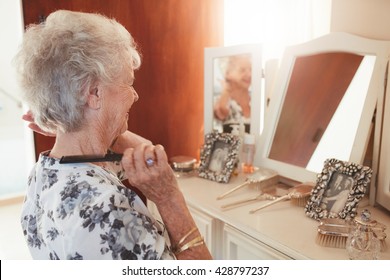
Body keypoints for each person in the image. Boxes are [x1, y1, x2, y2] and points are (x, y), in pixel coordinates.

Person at [15, 10, 212, 260]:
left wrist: (67, 115)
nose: (135, 95)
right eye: (128, 83)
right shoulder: (106, 212)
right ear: (94, 93)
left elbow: (141, 152)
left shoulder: (45, 173)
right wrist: (170, 199)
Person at [213, 54, 252, 133]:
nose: (249, 75)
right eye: (242, 70)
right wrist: (226, 90)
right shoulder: (224, 101)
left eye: (251, 70)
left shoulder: (255, 100)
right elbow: (221, 111)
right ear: (228, 74)